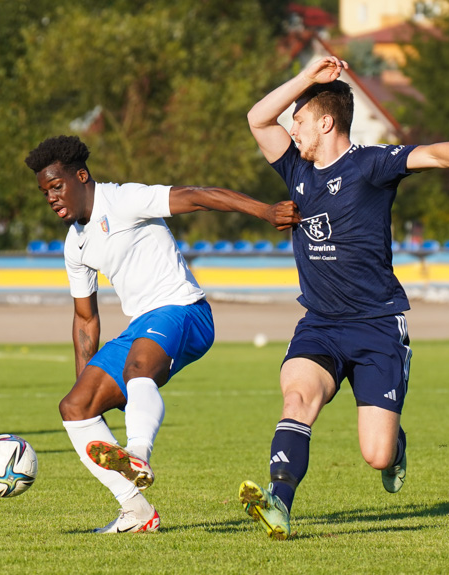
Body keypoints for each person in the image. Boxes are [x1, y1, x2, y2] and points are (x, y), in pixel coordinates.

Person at [238, 57, 449, 539]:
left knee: (376, 455)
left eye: (299, 120)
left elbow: (430, 154)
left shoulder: (370, 165)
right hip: (320, 323)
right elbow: (257, 118)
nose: (291, 128)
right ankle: (278, 501)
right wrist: (306, 79)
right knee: (297, 397)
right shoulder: (295, 169)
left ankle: (396, 447)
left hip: (377, 326)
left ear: (326, 122)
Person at [24, 135, 300, 534]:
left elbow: (199, 196)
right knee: (75, 407)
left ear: (81, 176)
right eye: (44, 191)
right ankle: (136, 511)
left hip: (184, 310)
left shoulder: (123, 199)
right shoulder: (75, 245)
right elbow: (85, 320)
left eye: (56, 186)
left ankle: (136, 453)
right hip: (143, 325)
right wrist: (88, 381)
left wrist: (266, 211)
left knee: (139, 367)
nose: (51, 197)